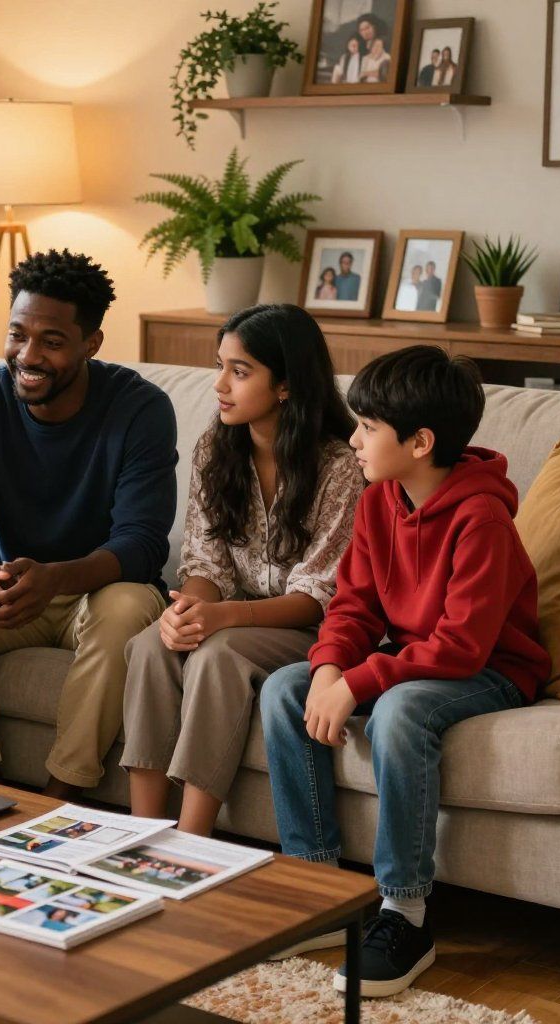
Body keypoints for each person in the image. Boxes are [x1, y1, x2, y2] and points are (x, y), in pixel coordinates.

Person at [260, 346, 550, 997]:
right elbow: (354, 607)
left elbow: (459, 648)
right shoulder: (377, 503)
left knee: (401, 709)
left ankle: (406, 916)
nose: (353, 440)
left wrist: (359, 684)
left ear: (420, 442)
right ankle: (319, 890)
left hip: (490, 669)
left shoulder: (483, 519)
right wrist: (332, 666)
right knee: (285, 688)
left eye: (366, 427)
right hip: (411, 657)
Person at [0, 249, 176, 800]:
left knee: (127, 604)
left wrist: (55, 578)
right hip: (10, 594)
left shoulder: (140, 408)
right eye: (17, 334)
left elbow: (142, 543)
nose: (27, 355)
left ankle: (59, 797)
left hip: (97, 594)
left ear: (90, 343)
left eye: (51, 341)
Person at [120, 305, 364, 836]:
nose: (220, 385)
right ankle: (140, 834)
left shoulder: (342, 465)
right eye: (220, 365)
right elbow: (206, 559)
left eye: (240, 370)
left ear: (285, 385)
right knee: (151, 645)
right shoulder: (215, 447)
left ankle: (191, 841)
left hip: (314, 632)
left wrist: (221, 618)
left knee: (218, 654)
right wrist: (189, 608)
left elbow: (319, 594)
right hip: (235, 616)